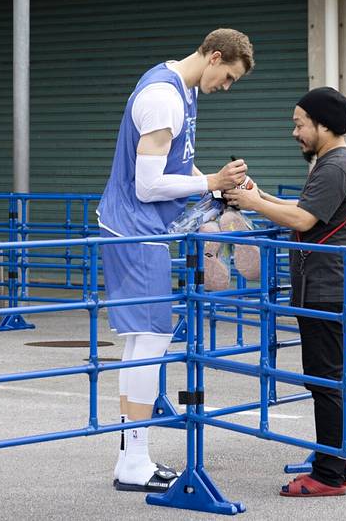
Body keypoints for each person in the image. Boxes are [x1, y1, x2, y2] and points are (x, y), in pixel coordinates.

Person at [96, 29, 254, 492]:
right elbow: (147, 185)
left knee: (141, 341)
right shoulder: (165, 97)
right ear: (215, 56)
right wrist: (211, 181)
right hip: (136, 230)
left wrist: (209, 186)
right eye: (227, 77)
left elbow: (167, 172)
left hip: (135, 229)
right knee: (151, 340)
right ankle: (134, 461)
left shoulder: (176, 86)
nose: (226, 87)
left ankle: (132, 457)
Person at [222, 87, 346, 497]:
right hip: (328, 287)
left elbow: (303, 217)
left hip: (328, 288)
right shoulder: (332, 162)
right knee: (333, 380)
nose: (294, 132)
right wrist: (259, 196)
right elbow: (306, 209)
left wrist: (255, 202)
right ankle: (338, 463)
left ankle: (329, 473)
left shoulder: (336, 165)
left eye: (300, 123)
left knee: (327, 382)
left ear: (324, 125)